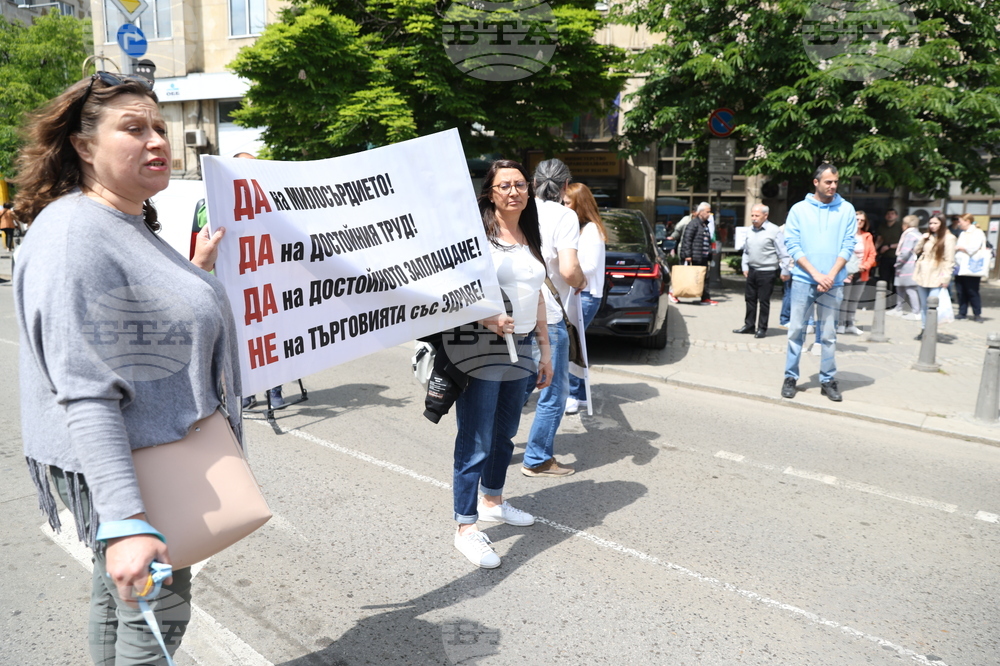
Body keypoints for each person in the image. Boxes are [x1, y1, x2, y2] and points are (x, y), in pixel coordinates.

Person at [12, 71, 236, 663]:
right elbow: (84, 388)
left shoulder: (122, 220)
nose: (157, 140)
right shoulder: (76, 234)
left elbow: (135, 316)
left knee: (123, 604)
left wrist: (194, 274)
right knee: (156, 616)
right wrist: (126, 519)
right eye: (133, 129)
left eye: (159, 127)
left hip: (149, 448)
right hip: (131, 460)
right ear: (84, 147)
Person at [452, 159, 553, 568]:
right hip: (482, 347)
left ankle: (492, 499)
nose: (514, 192)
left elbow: (538, 293)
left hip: (524, 348)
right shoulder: (477, 236)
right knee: (476, 438)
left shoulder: (530, 234)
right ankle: (465, 526)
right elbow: (454, 290)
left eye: (520, 185)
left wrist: (545, 349)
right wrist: (486, 318)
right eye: (505, 185)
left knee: (506, 433)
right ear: (490, 193)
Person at [521, 159, 586, 478]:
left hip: (515, 312)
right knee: (553, 390)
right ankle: (536, 458)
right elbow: (568, 270)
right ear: (565, 185)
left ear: (533, 183)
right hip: (548, 314)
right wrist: (582, 281)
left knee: (517, 385)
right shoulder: (565, 216)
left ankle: (490, 449)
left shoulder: (519, 210)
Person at [781, 164, 856, 403]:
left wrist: (831, 275)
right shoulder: (799, 210)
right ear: (816, 182)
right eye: (828, 182)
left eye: (835, 182)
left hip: (833, 282)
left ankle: (827, 380)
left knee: (828, 334)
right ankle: (790, 377)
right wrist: (815, 274)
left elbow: (848, 244)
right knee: (796, 331)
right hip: (804, 279)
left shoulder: (846, 209)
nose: (833, 186)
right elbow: (792, 244)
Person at [561, 182, 607, 414]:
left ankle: (575, 395)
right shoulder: (582, 229)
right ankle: (577, 394)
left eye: (567, 202)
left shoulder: (591, 230)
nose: (563, 206)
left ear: (580, 204)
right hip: (580, 293)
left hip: (586, 295)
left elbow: (590, 265)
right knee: (574, 344)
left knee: (573, 345)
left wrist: (565, 264)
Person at [733, 204, 785, 338]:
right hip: (752, 270)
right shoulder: (750, 230)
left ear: (765, 216)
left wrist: (785, 270)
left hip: (767, 271)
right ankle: (749, 325)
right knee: (750, 299)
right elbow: (746, 250)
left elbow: (783, 252)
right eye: (752, 215)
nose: (754, 218)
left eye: (757, 216)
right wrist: (745, 266)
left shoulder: (774, 231)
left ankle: (762, 328)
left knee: (764, 301)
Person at [913, 214, 957, 338]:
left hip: (936, 274)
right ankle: (923, 329)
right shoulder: (928, 236)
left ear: (942, 224)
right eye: (930, 223)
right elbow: (916, 251)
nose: (932, 226)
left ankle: (930, 331)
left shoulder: (949, 238)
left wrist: (946, 278)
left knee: (932, 305)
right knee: (923, 305)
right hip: (922, 273)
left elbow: (949, 260)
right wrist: (922, 239)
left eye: (935, 223)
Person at [837, 210, 877, 334]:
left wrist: (865, 266)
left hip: (862, 272)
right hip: (847, 272)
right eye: (857, 219)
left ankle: (851, 324)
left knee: (854, 299)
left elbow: (872, 254)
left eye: (862, 220)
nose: (859, 222)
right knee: (844, 299)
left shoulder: (867, 236)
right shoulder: (844, 234)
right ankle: (841, 323)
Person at [680, 202, 718, 305]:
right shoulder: (694, 223)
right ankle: (674, 292)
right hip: (695, 256)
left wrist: (709, 252)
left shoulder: (705, 224)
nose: (709, 214)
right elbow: (687, 239)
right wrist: (687, 255)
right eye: (707, 212)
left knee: (704, 277)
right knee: (688, 276)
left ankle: (705, 298)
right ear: (700, 212)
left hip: (703, 256)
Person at [954, 213, 989, 322]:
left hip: (971, 267)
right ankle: (962, 312)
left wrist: (960, 247)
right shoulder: (963, 233)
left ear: (967, 221)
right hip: (959, 266)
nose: (959, 223)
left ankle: (977, 313)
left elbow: (973, 247)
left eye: (960, 221)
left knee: (972, 291)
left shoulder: (977, 232)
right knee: (960, 290)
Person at [891, 214, 923, 319]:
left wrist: (898, 262)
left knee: (910, 289)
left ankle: (915, 311)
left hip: (907, 266)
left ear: (906, 224)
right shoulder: (918, 234)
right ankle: (898, 308)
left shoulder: (909, 235)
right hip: (912, 264)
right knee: (901, 288)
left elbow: (905, 251)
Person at [874, 208, 901, 301]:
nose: (890, 215)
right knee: (883, 280)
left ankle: (894, 302)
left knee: (895, 281)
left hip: (896, 257)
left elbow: (904, 242)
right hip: (884, 257)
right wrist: (875, 250)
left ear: (896, 216)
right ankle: (883, 301)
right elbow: (879, 239)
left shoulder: (900, 226)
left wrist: (889, 246)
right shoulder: (882, 226)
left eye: (892, 214)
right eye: (888, 214)